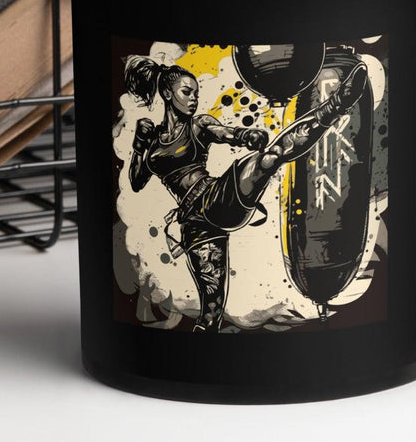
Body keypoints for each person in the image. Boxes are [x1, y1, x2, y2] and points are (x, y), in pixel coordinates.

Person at [124, 54, 368, 332]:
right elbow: (136, 181)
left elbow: (224, 132)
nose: (193, 98)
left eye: (196, 93)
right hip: (193, 223)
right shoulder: (153, 139)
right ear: (167, 93)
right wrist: (139, 145)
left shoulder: (198, 125)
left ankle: (336, 105)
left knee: (270, 156)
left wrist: (245, 136)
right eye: (186, 92)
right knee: (211, 312)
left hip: (217, 196)